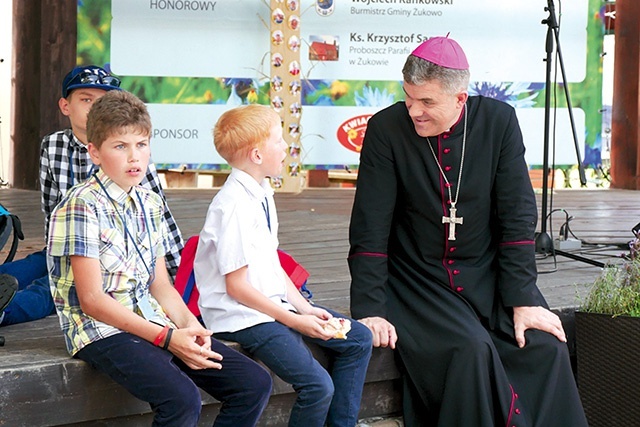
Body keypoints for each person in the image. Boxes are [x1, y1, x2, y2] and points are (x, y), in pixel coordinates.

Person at [348, 36, 588, 426]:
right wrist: (371, 309)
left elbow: (516, 215)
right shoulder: (386, 129)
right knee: (470, 349)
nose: (414, 112)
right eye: (409, 98)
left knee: (544, 345)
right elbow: (369, 225)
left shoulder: (498, 122)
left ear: (460, 98)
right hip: (417, 280)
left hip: (486, 274)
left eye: (427, 103)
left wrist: (524, 298)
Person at [47, 90, 272, 426]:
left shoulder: (150, 202)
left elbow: (160, 284)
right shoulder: (81, 205)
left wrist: (191, 327)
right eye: (120, 146)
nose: (134, 157)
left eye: (141, 144)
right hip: (100, 330)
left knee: (253, 383)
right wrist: (167, 338)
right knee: (181, 399)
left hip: (152, 320)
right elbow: (92, 301)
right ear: (94, 152)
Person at [194, 104, 373, 427]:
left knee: (358, 339)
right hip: (243, 316)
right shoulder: (233, 206)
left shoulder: (261, 191)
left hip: (270, 306)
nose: (286, 147)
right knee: (318, 387)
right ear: (257, 155)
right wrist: (293, 319)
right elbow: (237, 288)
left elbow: (270, 261)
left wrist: (304, 308)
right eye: (278, 140)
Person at [0, 65, 183, 327]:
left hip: (113, 259)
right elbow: (51, 211)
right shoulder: (52, 146)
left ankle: (5, 312)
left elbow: (160, 218)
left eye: (102, 101)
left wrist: (178, 275)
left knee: (48, 290)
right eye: (86, 99)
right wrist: (57, 256)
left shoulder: (131, 155)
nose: (94, 108)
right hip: (69, 244)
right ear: (65, 106)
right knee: (26, 268)